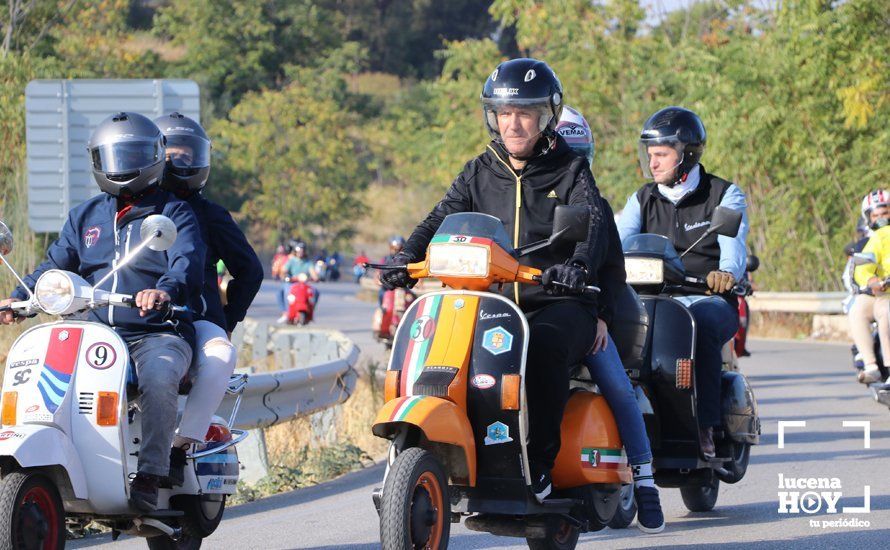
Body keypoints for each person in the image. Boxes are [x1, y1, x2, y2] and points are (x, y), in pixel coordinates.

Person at [381, 58, 608, 504]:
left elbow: (593, 223)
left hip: (555, 302)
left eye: (524, 112)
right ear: (493, 115)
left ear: (547, 117)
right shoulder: (480, 169)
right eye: (504, 113)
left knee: (543, 347)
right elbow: (440, 216)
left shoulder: (571, 170)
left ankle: (539, 466)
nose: (513, 124)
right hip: (490, 300)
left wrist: (577, 267)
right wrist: (407, 254)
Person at [0, 112, 205, 511]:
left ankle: (151, 474)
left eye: (133, 155)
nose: (123, 166)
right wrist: (17, 298)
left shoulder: (175, 213)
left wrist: (162, 292)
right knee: (39, 373)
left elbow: (187, 263)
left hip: (156, 333)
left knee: (161, 377)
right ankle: (56, 467)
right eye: (114, 156)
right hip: (93, 331)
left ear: (154, 156)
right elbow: (54, 267)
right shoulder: (85, 216)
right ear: (97, 160)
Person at [617, 106, 748, 459]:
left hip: (705, 298)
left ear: (687, 154)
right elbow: (616, 240)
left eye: (661, 155)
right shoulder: (642, 198)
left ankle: (703, 425)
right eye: (650, 156)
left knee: (700, 327)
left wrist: (727, 274)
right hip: (649, 297)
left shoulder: (723, 194)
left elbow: (732, 249)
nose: (653, 163)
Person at [559, 106, 664, 532]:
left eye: (576, 154)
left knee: (618, 388)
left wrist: (600, 316)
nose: (568, 161)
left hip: (581, 315)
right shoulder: (515, 196)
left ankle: (644, 481)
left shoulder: (595, 205)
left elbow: (613, 272)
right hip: (518, 313)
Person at [154, 112, 264, 484]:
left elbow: (250, 271)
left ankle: (180, 447)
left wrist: (225, 320)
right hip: (125, 316)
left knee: (219, 355)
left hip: (193, 317)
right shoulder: (130, 209)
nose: (180, 164)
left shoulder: (210, 215)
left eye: (188, 156)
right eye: (171, 156)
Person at [851, 190, 890, 384]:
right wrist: (872, 281)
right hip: (882, 295)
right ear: (868, 218)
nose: (881, 219)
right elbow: (863, 269)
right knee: (858, 309)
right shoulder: (871, 241)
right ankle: (872, 365)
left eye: (885, 213)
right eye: (876, 215)